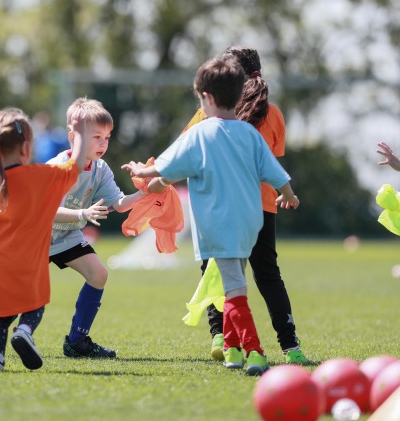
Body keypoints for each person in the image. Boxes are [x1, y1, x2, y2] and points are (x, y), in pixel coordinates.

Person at [122, 54, 300, 375]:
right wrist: (289, 196)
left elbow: (163, 167)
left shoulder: (199, 132)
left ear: (205, 97)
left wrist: (141, 171)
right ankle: (231, 349)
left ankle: (255, 352)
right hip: (253, 222)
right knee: (229, 282)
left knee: (233, 288)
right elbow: (277, 174)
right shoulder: (249, 133)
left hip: (219, 226)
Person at [0, 98, 149, 360]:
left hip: (67, 236)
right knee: (20, 299)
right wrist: (83, 213)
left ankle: (77, 341)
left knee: (98, 274)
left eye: (107, 137)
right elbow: (44, 211)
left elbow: (119, 204)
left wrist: (144, 192)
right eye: (96, 136)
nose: (103, 143)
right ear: (73, 137)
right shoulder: (57, 167)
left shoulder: (100, 170)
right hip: (35, 238)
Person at [179, 46, 309, 365]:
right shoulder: (273, 112)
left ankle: (223, 339)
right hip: (261, 208)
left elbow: (184, 155)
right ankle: (290, 346)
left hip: (219, 208)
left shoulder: (210, 110)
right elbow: (272, 165)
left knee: (217, 272)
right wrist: (286, 192)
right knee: (268, 275)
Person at [0, 107, 86, 372]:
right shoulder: (42, 176)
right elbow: (75, 166)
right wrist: (81, 133)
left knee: (0, 318)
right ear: (26, 148)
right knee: (35, 305)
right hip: (31, 265)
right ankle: (25, 330)